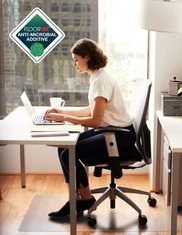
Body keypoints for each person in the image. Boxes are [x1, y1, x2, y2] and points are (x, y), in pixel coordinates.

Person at [44, 38, 139, 218]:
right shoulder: (98, 76)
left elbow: (95, 121)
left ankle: (83, 199)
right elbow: (93, 110)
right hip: (112, 132)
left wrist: (64, 117)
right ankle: (78, 197)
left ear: (87, 57)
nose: (74, 64)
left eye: (76, 59)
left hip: (119, 137)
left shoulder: (100, 81)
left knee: (69, 152)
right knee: (63, 146)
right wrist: (63, 111)